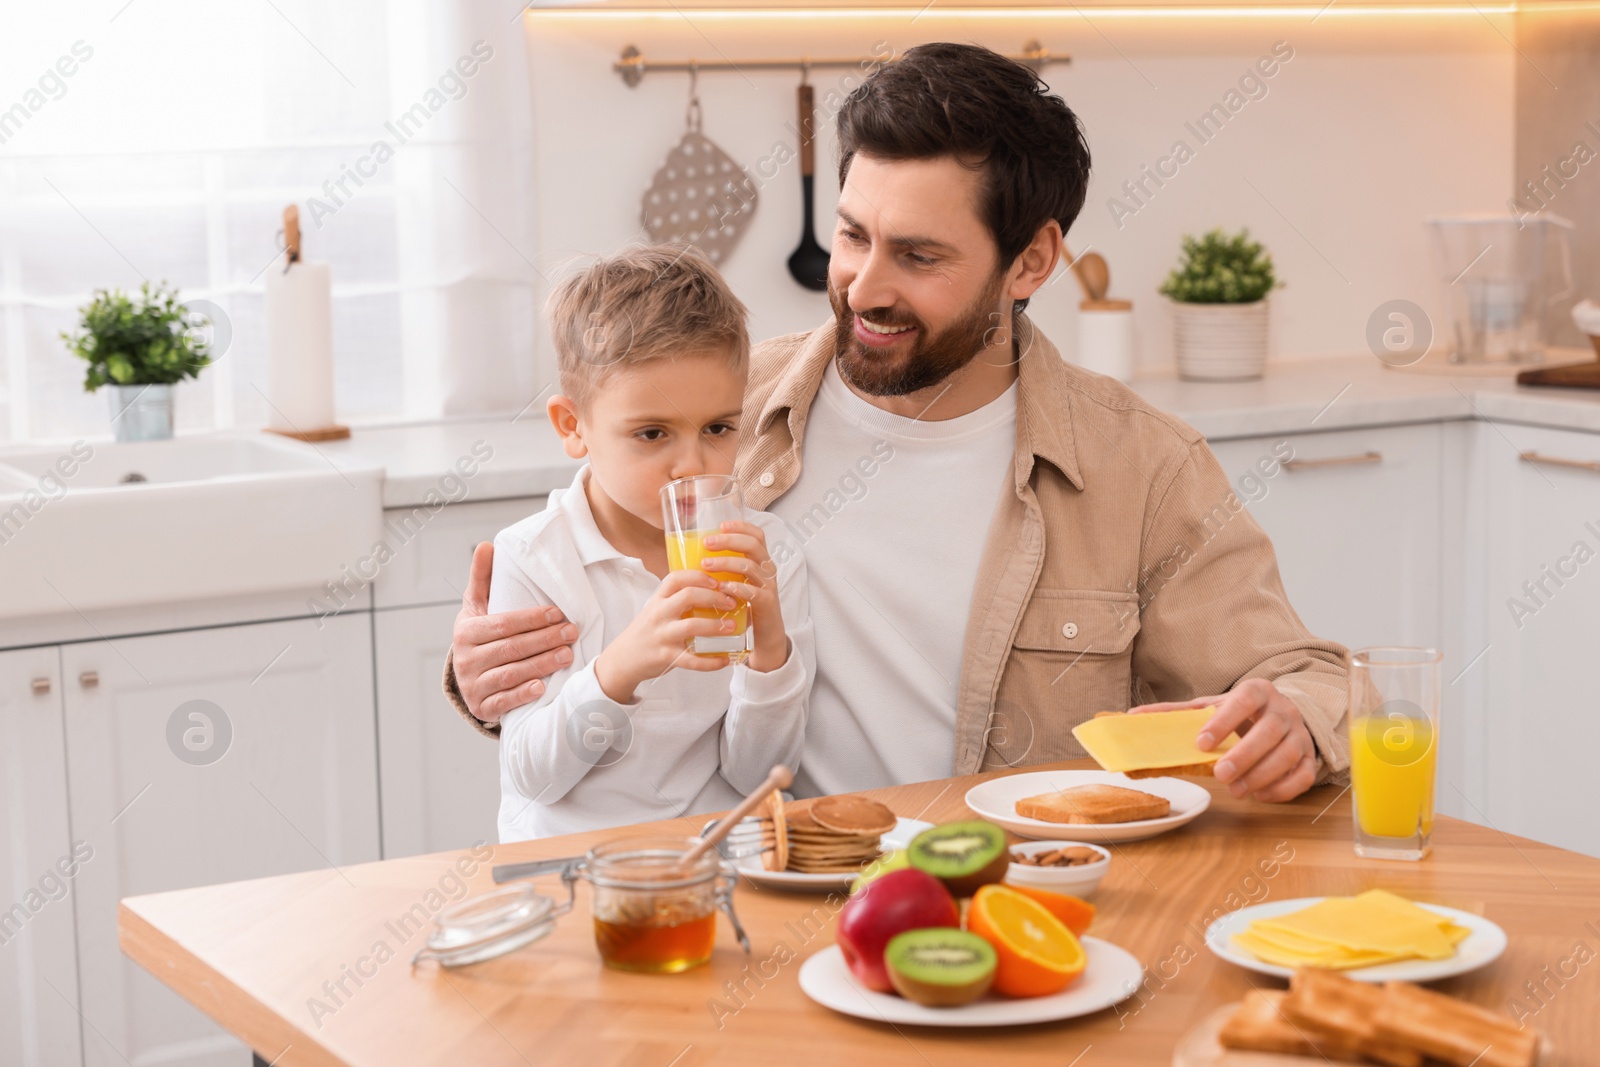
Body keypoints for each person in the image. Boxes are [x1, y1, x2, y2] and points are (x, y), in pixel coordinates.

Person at [448, 42, 1349, 804]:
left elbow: (1312, 678)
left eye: (918, 255)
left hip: (1016, 902)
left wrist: (1296, 722)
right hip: (773, 898)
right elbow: (579, 617)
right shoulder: (722, 410)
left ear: (1030, 259)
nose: (864, 287)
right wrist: (485, 676)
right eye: (852, 237)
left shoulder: (1141, 467)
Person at [488, 245, 813, 840]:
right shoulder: (535, 559)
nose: (691, 463)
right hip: (571, 865)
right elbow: (532, 777)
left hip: (707, 856)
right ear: (573, 426)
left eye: (718, 428)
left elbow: (761, 776)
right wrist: (619, 667)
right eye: (652, 433)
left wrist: (769, 651)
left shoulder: (768, 553)